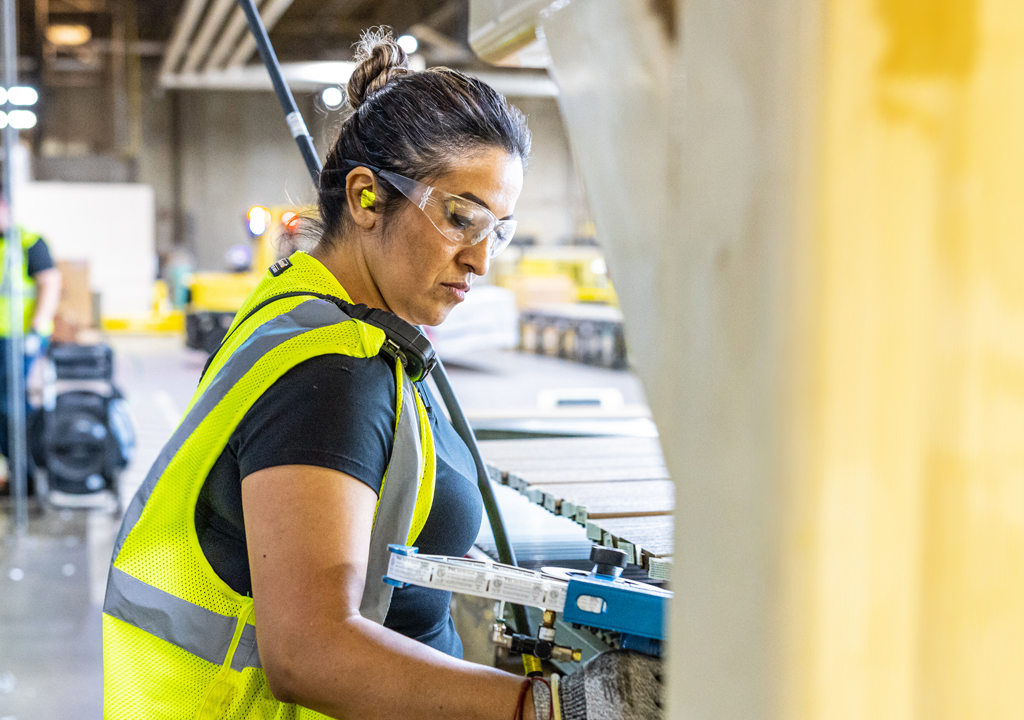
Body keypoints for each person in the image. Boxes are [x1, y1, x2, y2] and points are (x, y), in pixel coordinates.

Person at [102, 30, 661, 720]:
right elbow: (309, 651)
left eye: (500, 231)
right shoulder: (332, 373)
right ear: (366, 199)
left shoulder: (304, 315)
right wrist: (543, 707)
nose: (481, 261)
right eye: (462, 218)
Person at [0, 214, 61, 493]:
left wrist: (37, 331)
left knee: (10, 408)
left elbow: (49, 283)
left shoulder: (27, 242)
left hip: (16, 341)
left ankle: (25, 476)